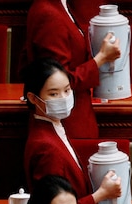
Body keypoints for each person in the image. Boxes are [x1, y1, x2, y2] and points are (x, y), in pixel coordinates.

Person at [23, 58, 122, 204]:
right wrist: (101, 194)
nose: (63, 98)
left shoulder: (53, 129)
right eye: (53, 94)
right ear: (34, 98)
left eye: (67, 90)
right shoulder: (47, 148)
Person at [23, 0, 121, 138]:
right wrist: (101, 58)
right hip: (68, 124)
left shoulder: (59, 6)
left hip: (75, 119)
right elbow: (58, 82)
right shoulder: (48, 13)